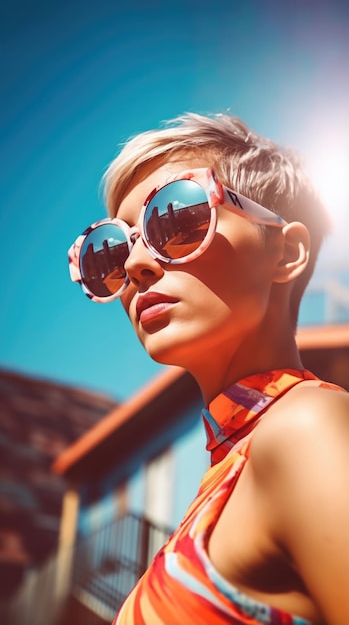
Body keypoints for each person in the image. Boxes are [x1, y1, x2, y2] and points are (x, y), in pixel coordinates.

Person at [68, 113, 349, 625]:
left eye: (174, 219)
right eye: (114, 247)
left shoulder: (305, 427)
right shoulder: (225, 479)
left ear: (286, 252)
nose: (135, 265)